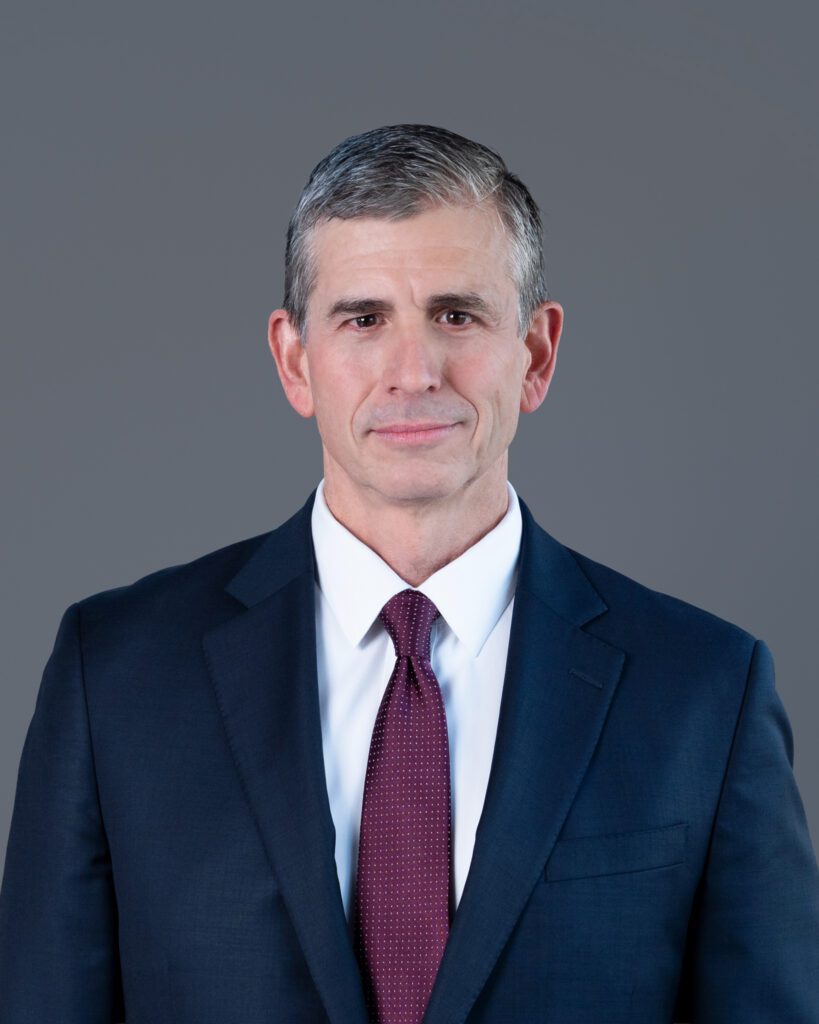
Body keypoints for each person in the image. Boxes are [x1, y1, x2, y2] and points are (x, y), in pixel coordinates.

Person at [0, 123, 817, 1024]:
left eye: (456, 315)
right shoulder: (114, 676)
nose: (413, 371)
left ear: (536, 355)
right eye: (363, 319)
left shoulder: (704, 689)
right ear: (294, 360)